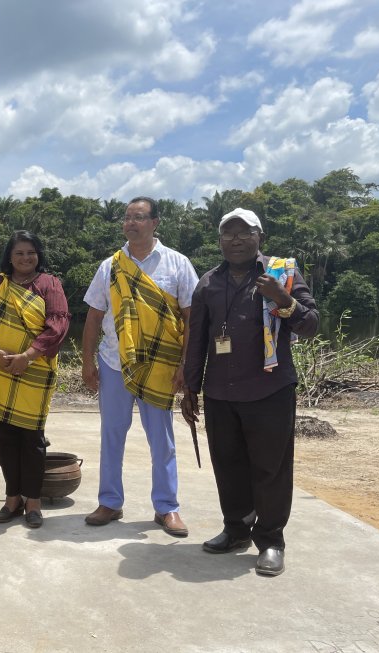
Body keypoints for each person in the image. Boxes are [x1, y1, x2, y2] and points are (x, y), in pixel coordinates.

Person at [181, 208, 318, 576]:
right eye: (228, 234)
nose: (236, 239)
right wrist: (190, 387)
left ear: (260, 237)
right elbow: (197, 340)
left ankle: (271, 541)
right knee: (228, 465)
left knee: (270, 468)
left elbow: (310, 325)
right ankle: (236, 529)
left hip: (269, 389)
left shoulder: (281, 274)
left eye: (244, 233)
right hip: (220, 392)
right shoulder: (208, 282)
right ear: (220, 240)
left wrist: (282, 299)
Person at [81, 196, 198, 537]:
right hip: (114, 362)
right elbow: (93, 316)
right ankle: (110, 501)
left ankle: (167, 508)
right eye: (128, 218)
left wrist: (184, 365)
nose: (131, 223)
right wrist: (88, 362)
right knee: (112, 435)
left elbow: (191, 318)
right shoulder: (110, 266)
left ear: (155, 223)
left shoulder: (177, 264)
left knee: (162, 440)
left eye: (139, 217)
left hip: (161, 366)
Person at [0, 231, 70, 529]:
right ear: (10, 256)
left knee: (32, 440)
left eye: (31, 252)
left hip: (35, 371)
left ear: (38, 254)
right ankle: (12, 498)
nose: (26, 258)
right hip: (0, 369)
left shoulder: (49, 284)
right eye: (19, 253)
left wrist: (27, 356)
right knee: (4, 438)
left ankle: (33, 501)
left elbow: (58, 325)